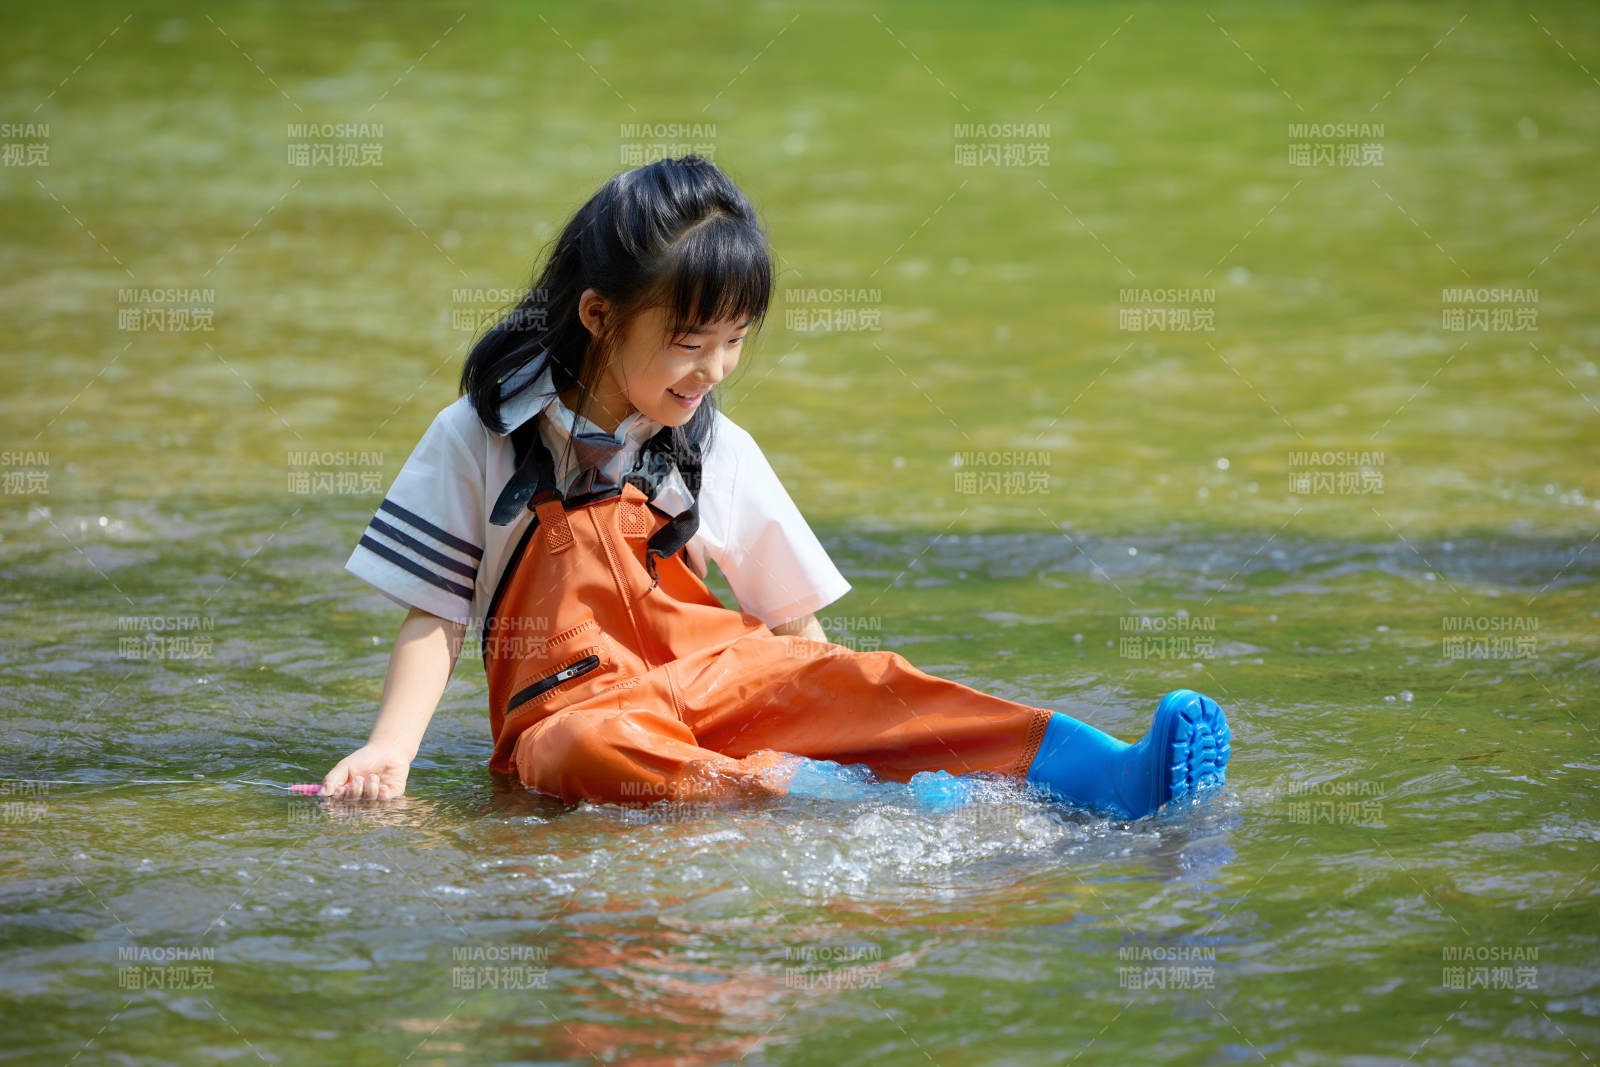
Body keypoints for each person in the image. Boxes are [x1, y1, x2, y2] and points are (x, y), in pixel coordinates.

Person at [319, 155, 1230, 818]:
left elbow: (796, 631)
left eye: (735, 341)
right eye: (691, 343)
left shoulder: (712, 443)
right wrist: (389, 750)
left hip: (720, 685)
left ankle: (1106, 771)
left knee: (878, 683)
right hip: (582, 713)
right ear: (599, 314)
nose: (715, 370)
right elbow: (435, 615)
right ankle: (807, 794)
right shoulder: (482, 432)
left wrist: (844, 705)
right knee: (579, 748)